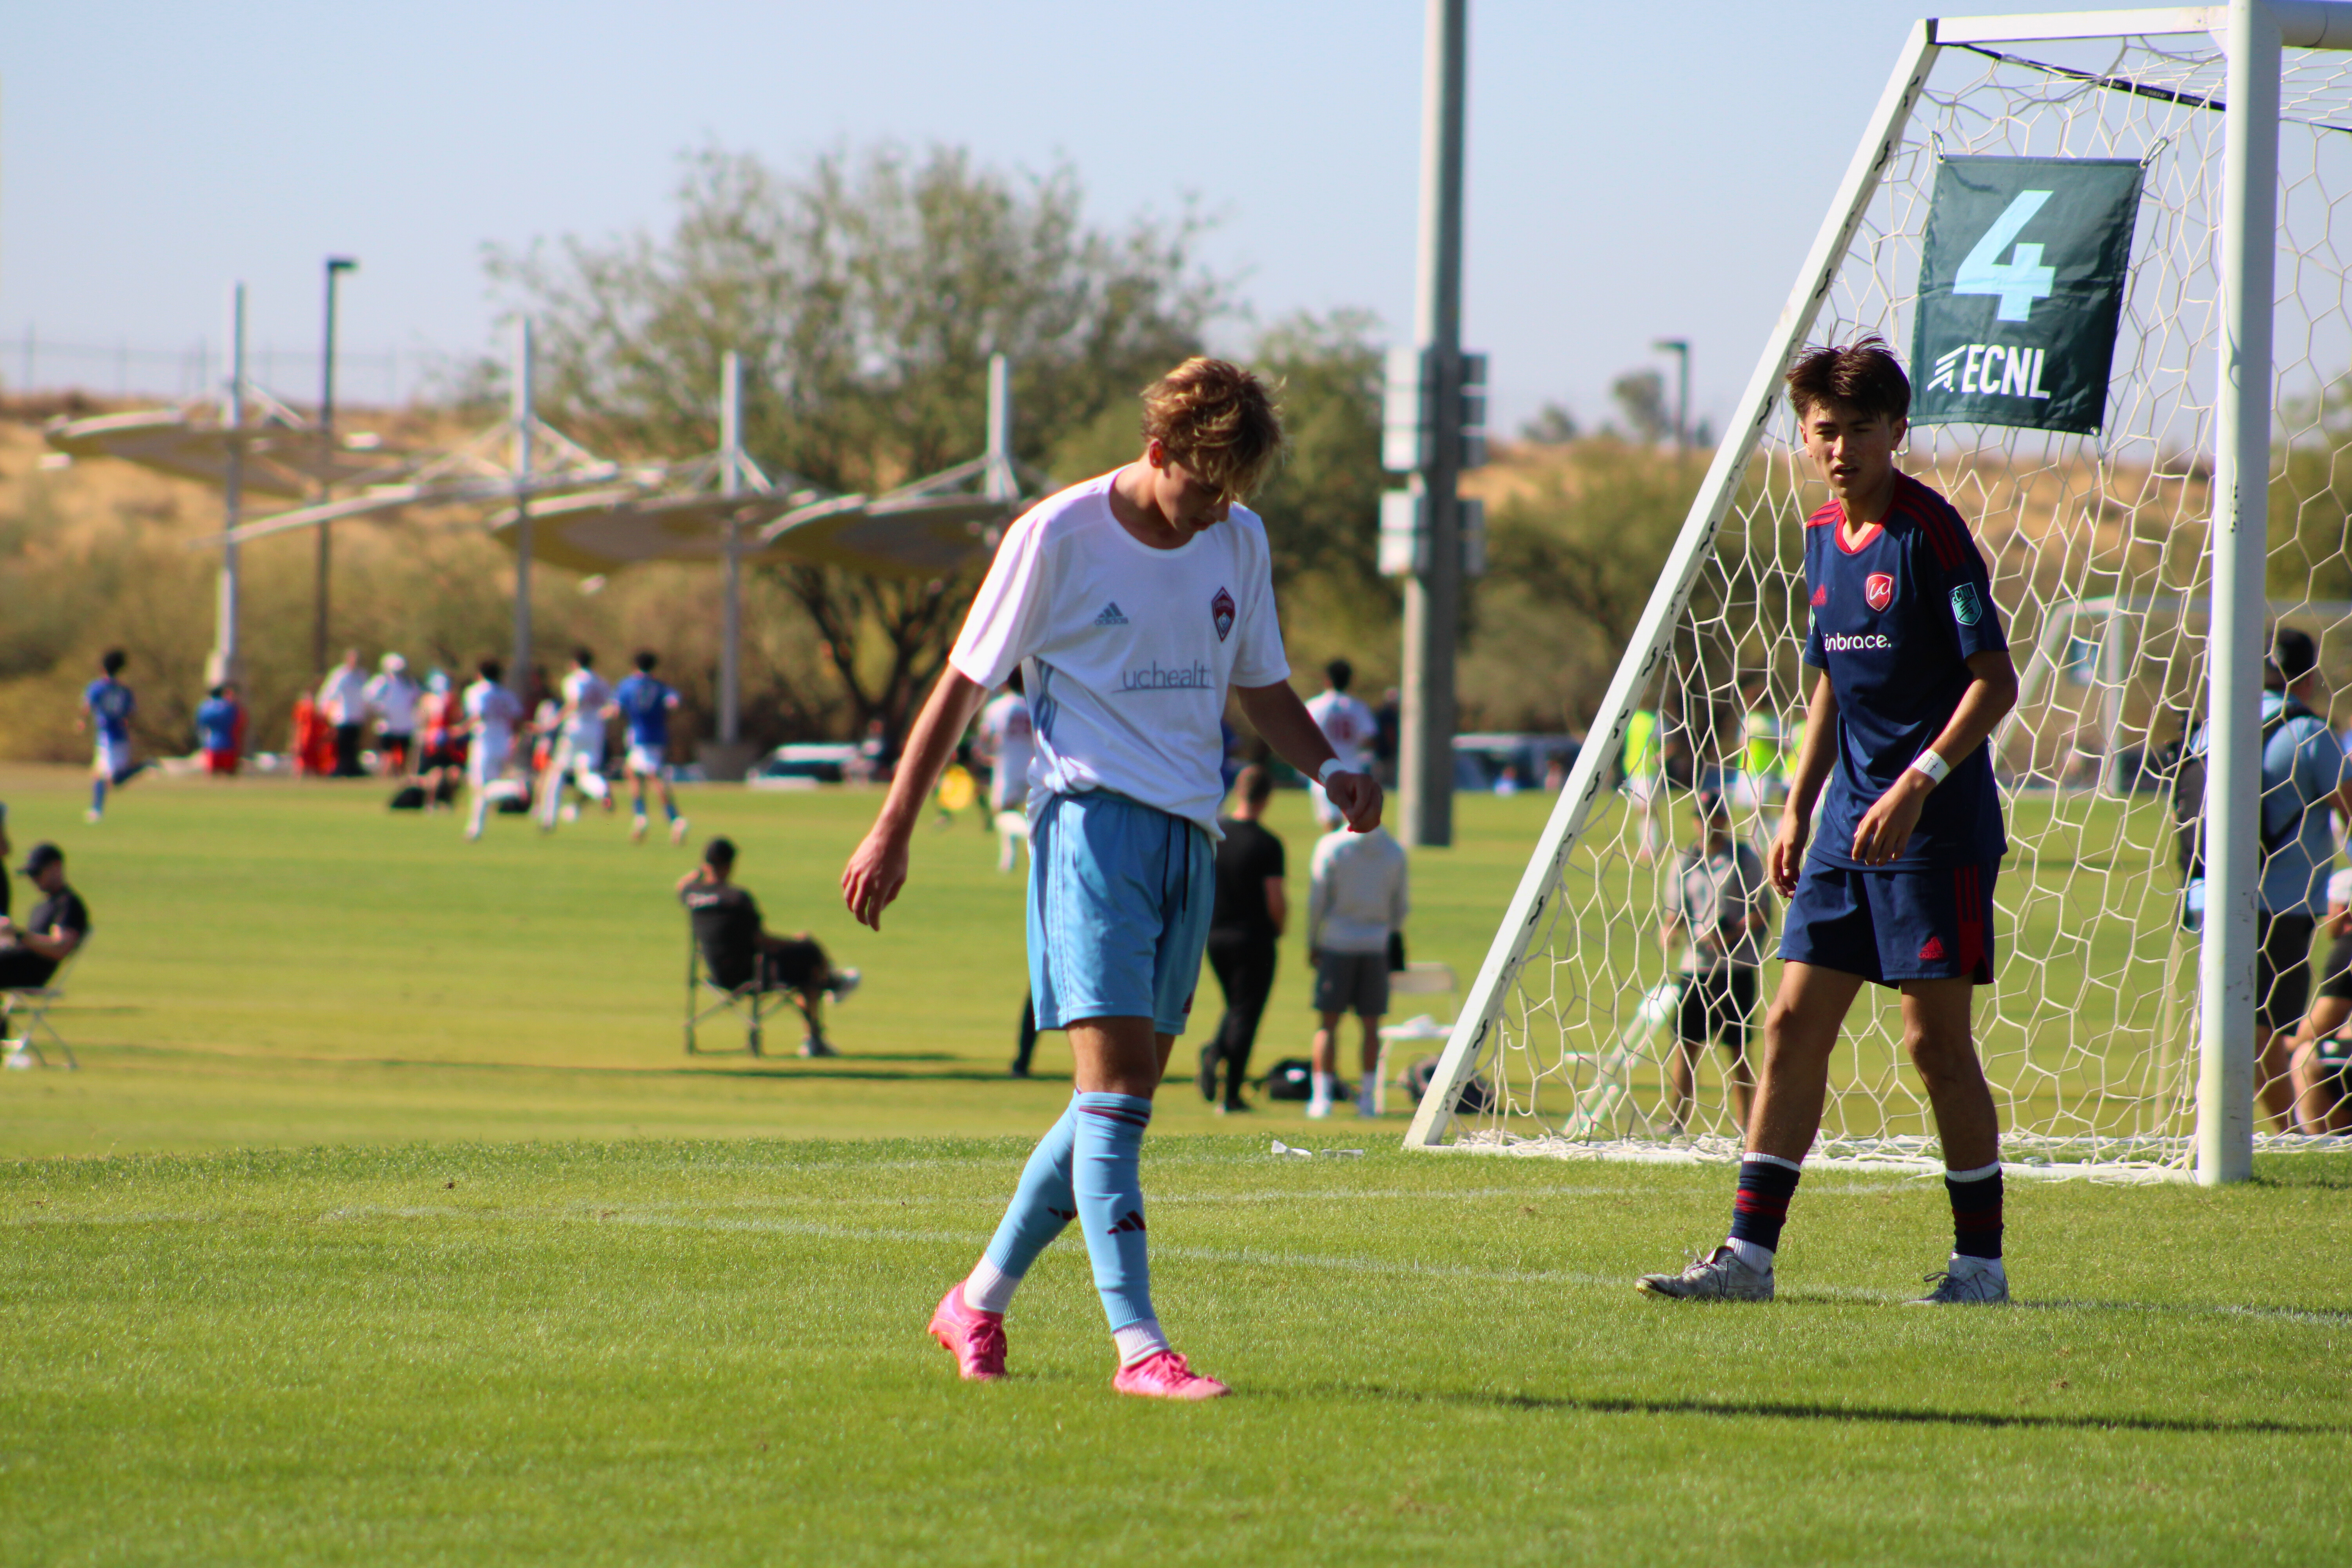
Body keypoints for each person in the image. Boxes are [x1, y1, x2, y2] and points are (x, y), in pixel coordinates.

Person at [842, 356, 1381, 1400]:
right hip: (1088, 829)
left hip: (1193, 835)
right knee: (1121, 1093)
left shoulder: (1238, 536)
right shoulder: (1057, 535)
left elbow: (1259, 687)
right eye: (1203, 485)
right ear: (1159, 449)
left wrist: (1331, 768)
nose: (1215, 511)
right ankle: (1141, 1350)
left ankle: (977, 1302)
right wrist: (892, 829)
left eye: (1233, 493)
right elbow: (959, 689)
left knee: (1111, 1100)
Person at [1636, 337, 2020, 1308]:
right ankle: (1748, 1259)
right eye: (1823, 431)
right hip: (1844, 828)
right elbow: (1827, 689)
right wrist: (1799, 806)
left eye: (1858, 429)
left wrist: (1918, 782)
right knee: (1788, 1023)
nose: (1840, 448)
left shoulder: (1931, 535)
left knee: (1934, 1044)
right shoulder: (1818, 536)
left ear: (1896, 431)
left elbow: (1995, 682)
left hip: (1932, 830)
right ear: (1804, 436)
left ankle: (1981, 1267)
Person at [2183, 626, 2352, 1130]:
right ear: (2308, 677)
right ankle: (2292, 1134)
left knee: (2240, 1021)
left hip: (2209, 894)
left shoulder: (2214, 727)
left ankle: (2279, 1131)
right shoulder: (2309, 733)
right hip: (2280, 904)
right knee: (2270, 1033)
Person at [679, 837, 859, 1058]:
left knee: (804, 958)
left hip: (717, 974)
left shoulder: (692, 895)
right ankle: (818, 1028)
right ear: (730, 865)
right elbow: (760, 941)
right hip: (751, 974)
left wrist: (701, 872)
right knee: (809, 954)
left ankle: (832, 983)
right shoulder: (737, 899)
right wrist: (797, 943)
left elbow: (682, 885)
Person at [1659, 788, 1771, 1136]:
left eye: (1716, 818)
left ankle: (1748, 1125)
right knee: (1686, 1047)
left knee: (1737, 1052)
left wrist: (1732, 933)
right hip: (1696, 967)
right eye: (1703, 819)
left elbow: (1762, 911)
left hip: (1734, 968)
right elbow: (1674, 913)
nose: (1710, 826)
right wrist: (1671, 932)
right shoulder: (1685, 861)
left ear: (1725, 820)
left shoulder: (1744, 858)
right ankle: (1676, 1122)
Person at [1303, 813, 1408, 1118]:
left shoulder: (1332, 846)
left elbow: (1318, 899)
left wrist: (1313, 939)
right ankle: (1367, 1098)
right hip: (1376, 942)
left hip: (1338, 940)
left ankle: (1322, 1097)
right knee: (1371, 1024)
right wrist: (1390, 932)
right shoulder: (1394, 850)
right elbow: (1400, 905)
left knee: (1328, 1023)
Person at [1197, 764, 1286, 1112]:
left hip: (1215, 935)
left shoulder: (1214, 834)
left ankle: (1215, 1052)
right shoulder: (1267, 844)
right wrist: (1279, 927)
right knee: (1247, 1013)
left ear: (1237, 790)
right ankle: (1231, 1092)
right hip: (1253, 937)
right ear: (1267, 798)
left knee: (1236, 1008)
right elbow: (1274, 898)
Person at [2287, 868, 2352, 1134]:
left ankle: (2325, 1143)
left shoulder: (2347, 947)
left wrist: (2285, 1045)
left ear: (2340, 909)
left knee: (2304, 1058)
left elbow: (2322, 1024)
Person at [608, 651, 688, 846]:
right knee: (633, 772)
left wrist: (603, 716)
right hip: (658, 736)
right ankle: (642, 816)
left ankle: (673, 819)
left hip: (639, 736)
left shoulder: (627, 685)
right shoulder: (660, 686)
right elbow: (674, 702)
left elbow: (615, 709)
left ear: (635, 666)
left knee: (652, 776)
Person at [0, 844, 89, 995]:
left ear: (56, 867)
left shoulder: (69, 905)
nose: (34, 880)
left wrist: (19, 935)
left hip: (28, 972)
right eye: (31, 875)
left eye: (37, 873)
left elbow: (60, 948)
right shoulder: (42, 906)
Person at [1305, 658, 1377, 829]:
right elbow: (1370, 738)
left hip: (1324, 771)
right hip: (1352, 769)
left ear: (1327, 679)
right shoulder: (1358, 707)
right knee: (1353, 825)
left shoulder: (1316, 706)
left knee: (1331, 826)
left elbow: (1305, 736)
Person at [974, 669, 1036, 870]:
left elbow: (986, 738)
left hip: (1008, 764)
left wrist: (984, 754)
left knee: (1002, 813)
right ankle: (1009, 860)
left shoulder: (998, 707)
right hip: (1033, 764)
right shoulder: (1033, 705)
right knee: (1030, 811)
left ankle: (1025, 836)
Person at [546, 648, 615, 826]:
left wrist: (553, 723)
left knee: (557, 771)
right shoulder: (601, 683)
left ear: (575, 663)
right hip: (595, 730)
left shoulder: (574, 680)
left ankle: (549, 818)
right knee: (585, 773)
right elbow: (612, 709)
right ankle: (602, 790)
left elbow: (574, 702)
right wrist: (598, 718)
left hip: (575, 729)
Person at [462, 659, 525, 842]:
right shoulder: (506, 694)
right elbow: (518, 717)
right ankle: (475, 830)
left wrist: (460, 730)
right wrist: (515, 739)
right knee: (484, 789)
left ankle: (513, 788)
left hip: (484, 743)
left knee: (480, 788)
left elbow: (477, 715)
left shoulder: (476, 691)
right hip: (502, 743)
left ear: (480, 673)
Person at [79, 649, 143, 823]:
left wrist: (82, 721)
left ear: (102, 668)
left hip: (108, 735)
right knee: (100, 774)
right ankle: (96, 810)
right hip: (121, 735)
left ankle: (145, 766)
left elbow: (88, 705)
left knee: (113, 779)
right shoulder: (124, 690)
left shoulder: (97, 687)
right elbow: (131, 714)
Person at [363, 654, 421, 777]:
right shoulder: (382, 681)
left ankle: (400, 775)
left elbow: (416, 698)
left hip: (405, 724)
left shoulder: (409, 683)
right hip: (387, 724)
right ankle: (386, 776)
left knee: (404, 753)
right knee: (387, 753)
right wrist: (380, 710)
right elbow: (369, 697)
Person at [417, 671, 468, 809]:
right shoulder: (428, 700)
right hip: (434, 746)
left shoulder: (452, 700)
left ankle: (448, 803)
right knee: (435, 774)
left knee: (455, 774)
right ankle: (430, 803)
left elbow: (457, 720)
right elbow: (423, 722)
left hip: (450, 746)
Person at [318, 648, 370, 778]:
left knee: (355, 744)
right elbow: (330, 694)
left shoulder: (362, 675)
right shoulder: (340, 675)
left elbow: (367, 694)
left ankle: (354, 768)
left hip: (357, 716)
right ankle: (341, 768)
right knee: (343, 745)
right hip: (343, 716)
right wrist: (326, 710)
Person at [194, 683, 246, 777]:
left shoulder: (205, 707)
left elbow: (200, 725)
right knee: (230, 775)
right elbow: (241, 723)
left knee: (213, 775)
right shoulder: (231, 706)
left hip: (211, 745)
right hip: (230, 744)